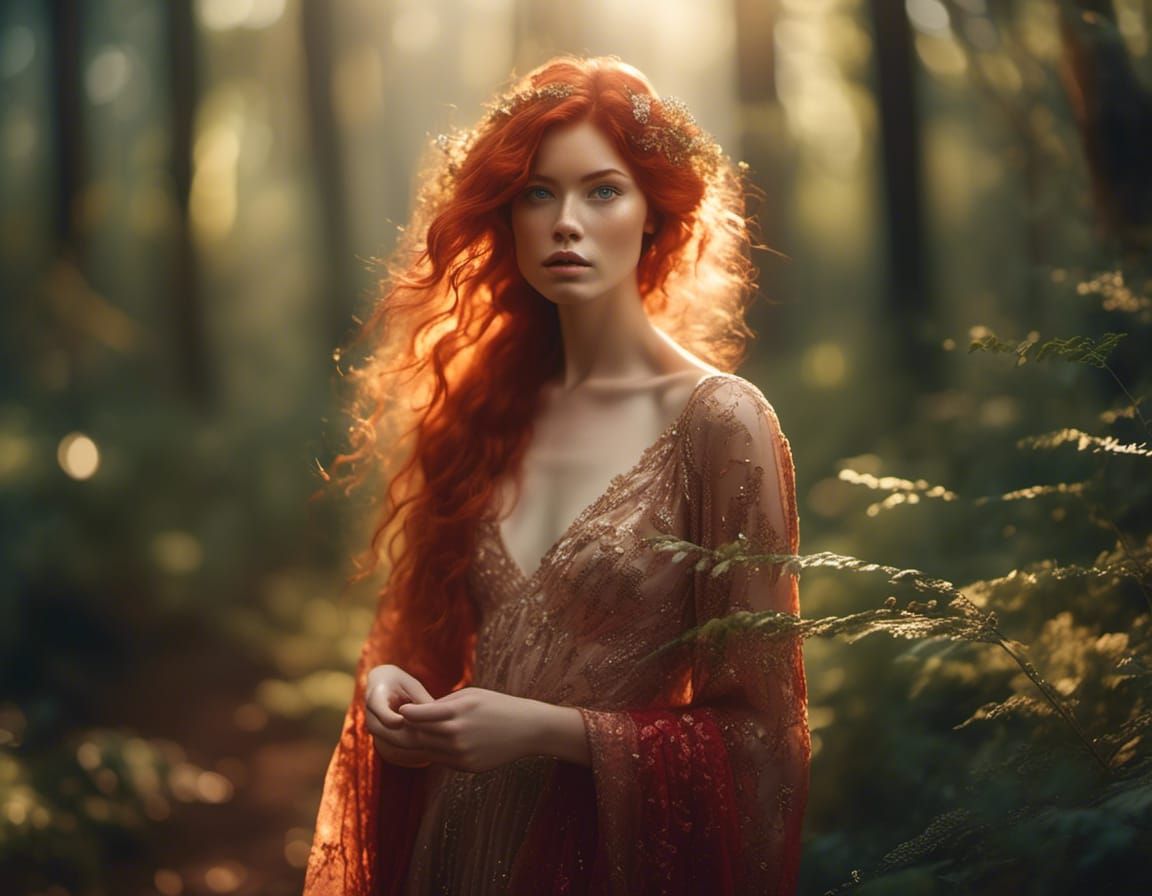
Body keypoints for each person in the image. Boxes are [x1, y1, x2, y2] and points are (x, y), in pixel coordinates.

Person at [303, 54, 809, 895]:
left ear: (656, 213)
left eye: (602, 191)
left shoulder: (720, 424)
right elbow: (441, 649)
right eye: (538, 193)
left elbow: (764, 742)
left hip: (593, 866)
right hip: (451, 849)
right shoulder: (483, 412)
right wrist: (402, 690)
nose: (564, 221)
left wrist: (552, 731)